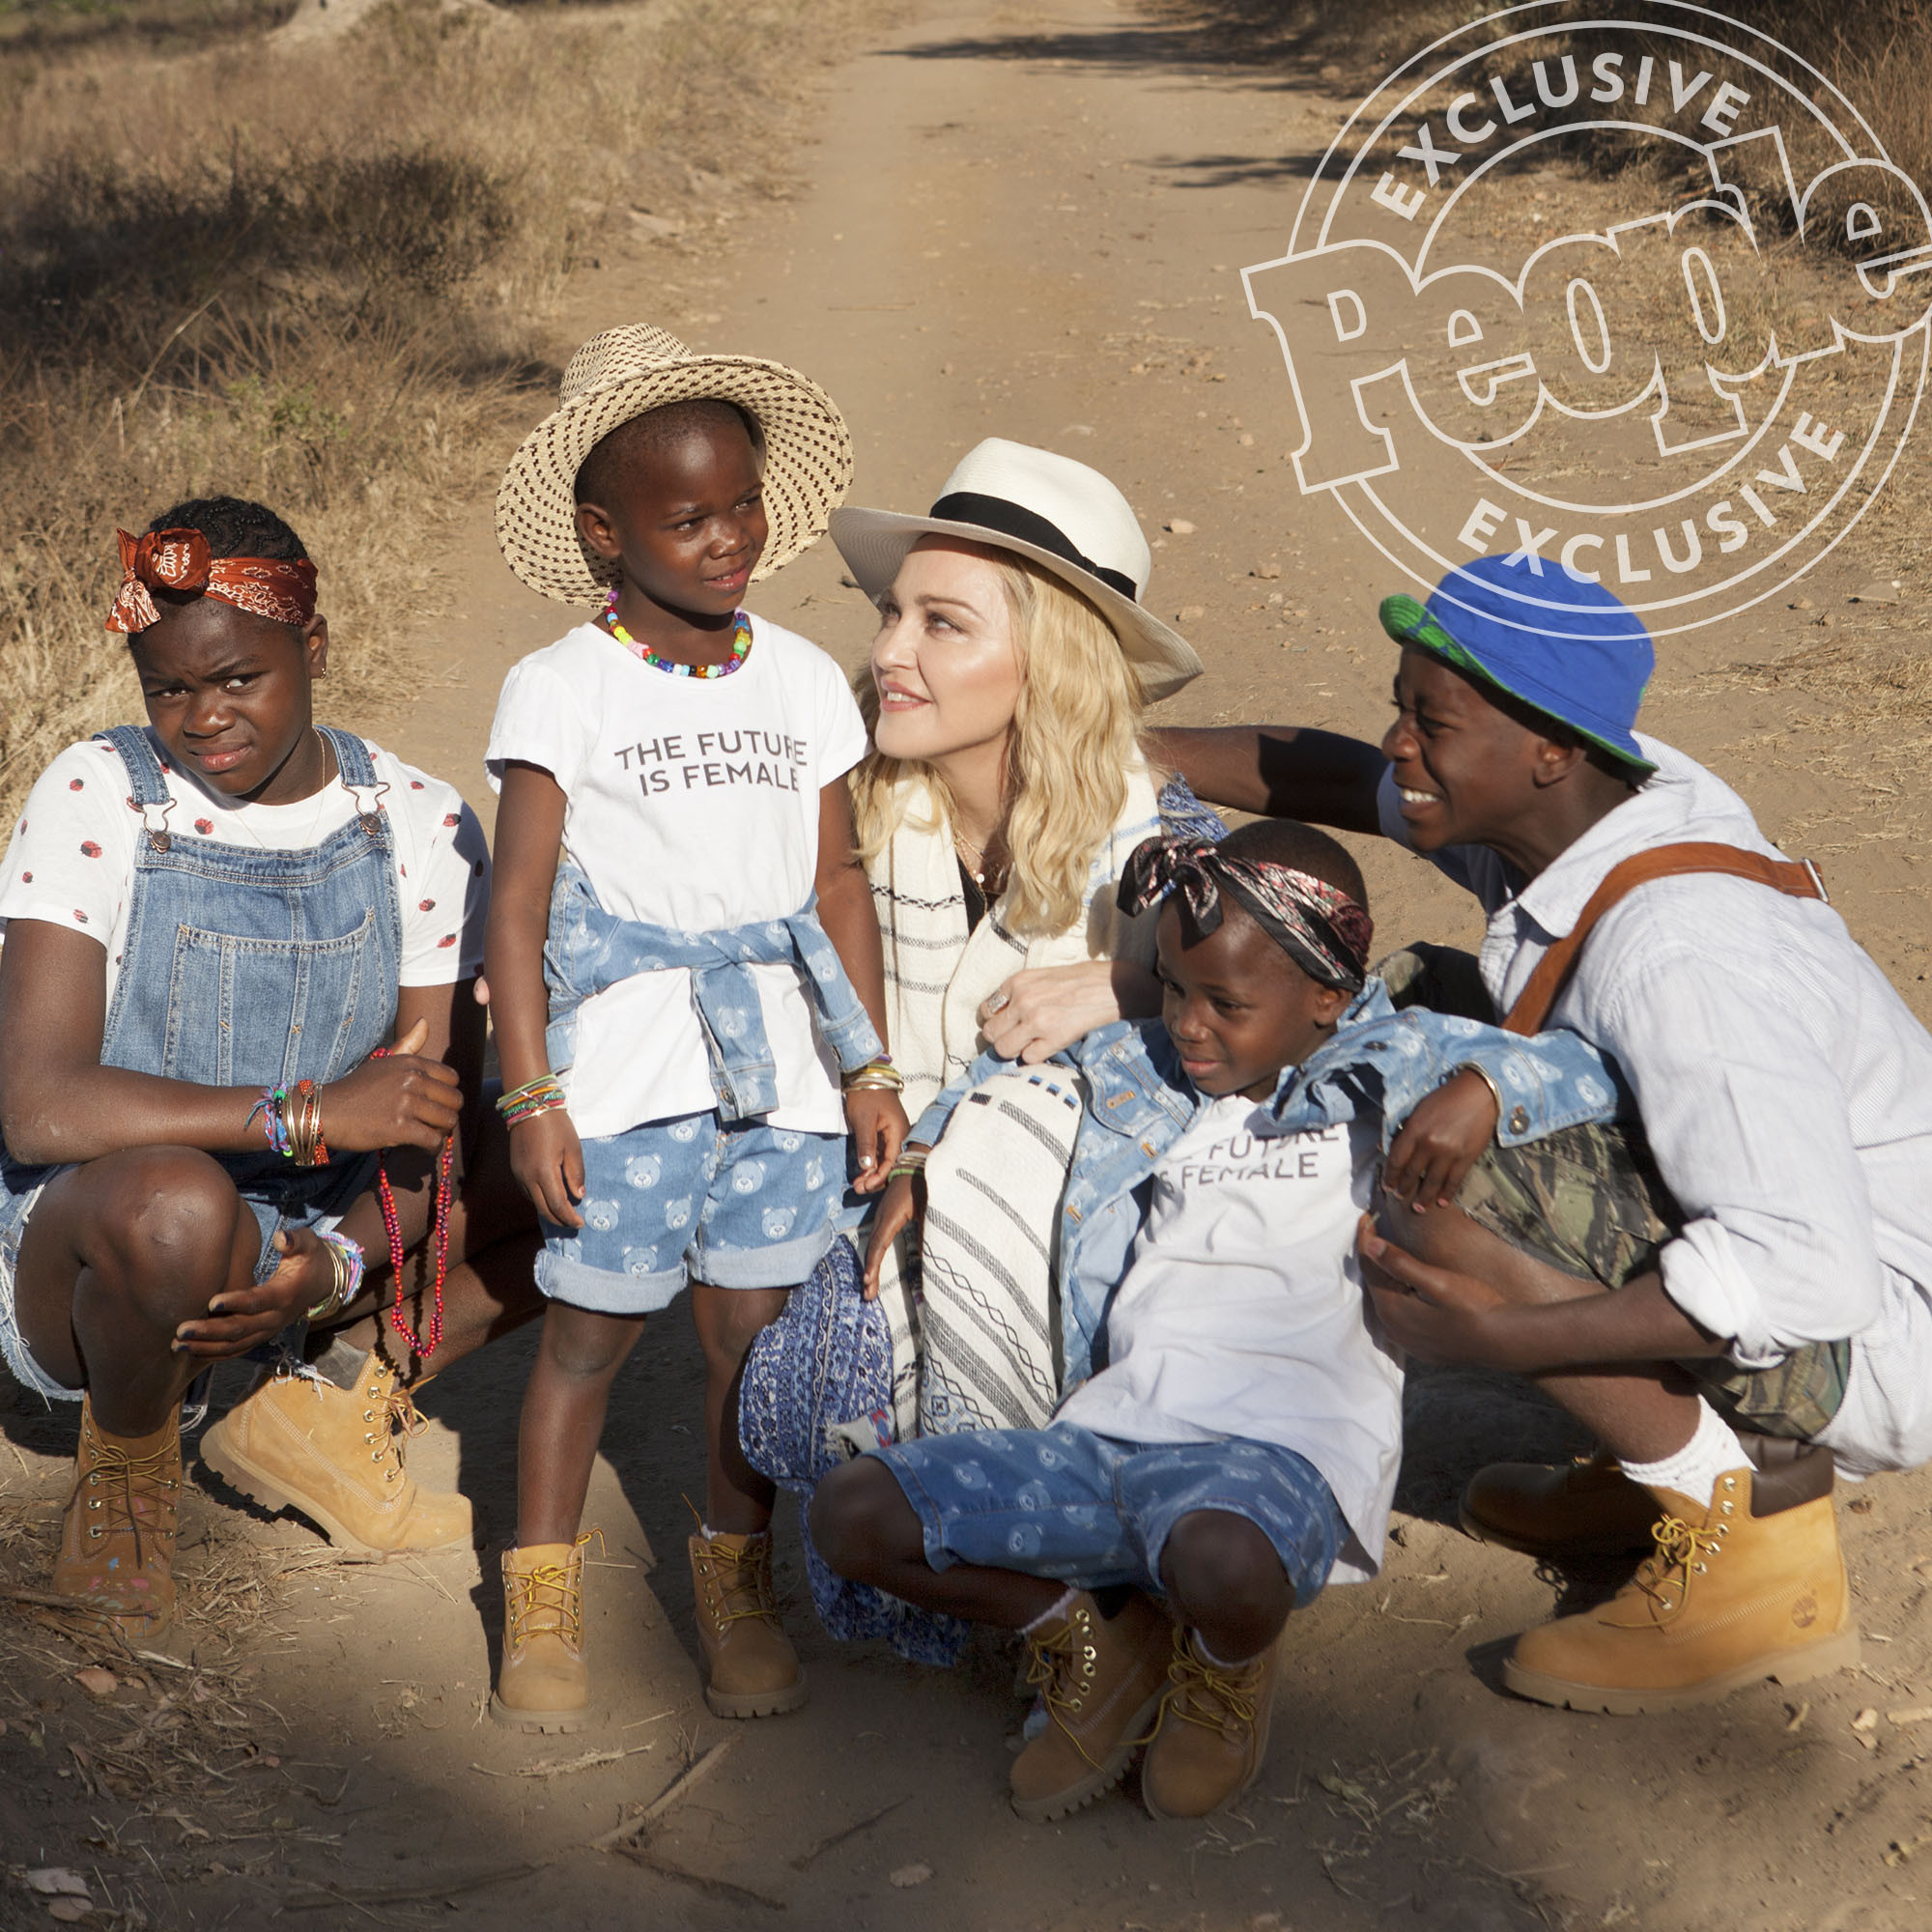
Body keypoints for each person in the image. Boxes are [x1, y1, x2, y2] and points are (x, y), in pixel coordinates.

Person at [1156, 555, 1932, 1714]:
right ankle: (1660, 1459)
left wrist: (1509, 1336)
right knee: (1436, 1021)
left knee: (1431, 1151)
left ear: (1549, 751)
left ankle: (1752, 1541)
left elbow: (1799, 1270)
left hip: (1872, 1328)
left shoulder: (1678, 957)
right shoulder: (1581, 802)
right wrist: (1133, 750)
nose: (1398, 743)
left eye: (1430, 721)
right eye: (1402, 704)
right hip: (1813, 1243)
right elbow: (1335, 770)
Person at [810, 818, 1620, 1822]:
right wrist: (925, 1164)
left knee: (1219, 1561)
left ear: (1325, 997)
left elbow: (1588, 1067)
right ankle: (1088, 1637)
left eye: (1222, 1002)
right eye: (1173, 986)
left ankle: (1221, 1663)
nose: (1187, 1023)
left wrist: (1482, 1086)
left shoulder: (1399, 1063)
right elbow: (1007, 1080)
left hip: (1273, 1456)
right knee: (851, 1514)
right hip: (1107, 1436)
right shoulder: (1148, 1066)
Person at [0, 497, 539, 1636]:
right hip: (106, 1240)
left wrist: (336, 1267)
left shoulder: (419, 823)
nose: (202, 719)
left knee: (588, 1169)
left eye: (237, 677)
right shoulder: (102, 795)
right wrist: (305, 1117)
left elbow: (422, 1112)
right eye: (167, 689)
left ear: (316, 647)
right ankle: (131, 1465)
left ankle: (327, 1405)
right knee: (179, 1205)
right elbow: (40, 1105)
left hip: (303, 1239)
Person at [482, 326, 906, 1732]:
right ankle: (540, 1591)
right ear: (605, 534)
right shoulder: (563, 685)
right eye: (688, 518)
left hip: (779, 1069)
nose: (730, 540)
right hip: (629, 1077)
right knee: (589, 1335)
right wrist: (532, 1090)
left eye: (743, 505)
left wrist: (866, 1066)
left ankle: (735, 1583)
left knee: (749, 1337)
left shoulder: (792, 676)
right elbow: (522, 905)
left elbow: (835, 882)